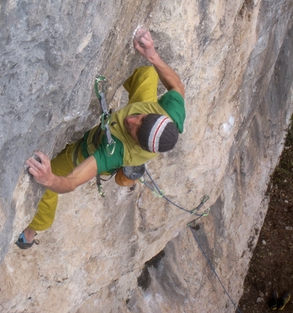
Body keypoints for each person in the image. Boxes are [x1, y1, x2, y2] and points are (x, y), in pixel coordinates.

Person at [16, 28, 186, 249]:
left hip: (90, 147)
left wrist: (49, 179)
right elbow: (178, 87)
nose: (132, 121)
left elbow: (73, 182)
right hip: (141, 123)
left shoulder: (115, 152)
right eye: (142, 118)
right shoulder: (172, 113)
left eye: (135, 130)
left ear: (136, 142)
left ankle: (34, 229)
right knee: (148, 73)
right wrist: (153, 55)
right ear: (159, 115)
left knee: (46, 189)